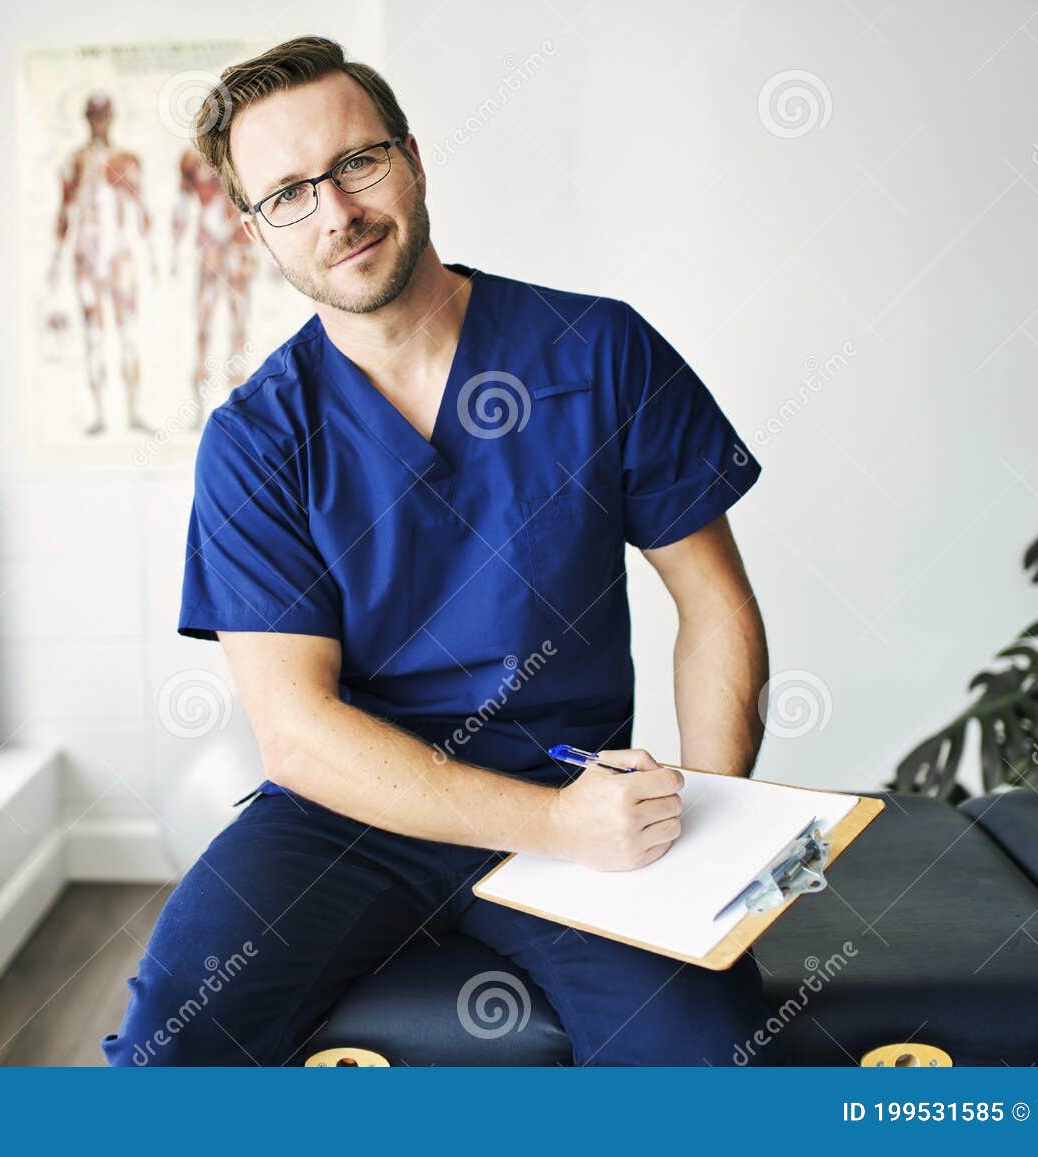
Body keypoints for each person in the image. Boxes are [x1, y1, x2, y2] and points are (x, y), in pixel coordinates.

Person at [103, 35, 777, 1067]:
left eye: (356, 164)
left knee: (712, 1055)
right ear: (256, 233)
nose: (335, 211)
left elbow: (714, 604)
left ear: (411, 160)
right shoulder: (257, 439)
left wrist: (710, 829)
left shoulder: (596, 352)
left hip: (570, 776)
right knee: (173, 1036)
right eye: (287, 193)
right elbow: (298, 734)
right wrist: (560, 830)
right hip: (346, 812)